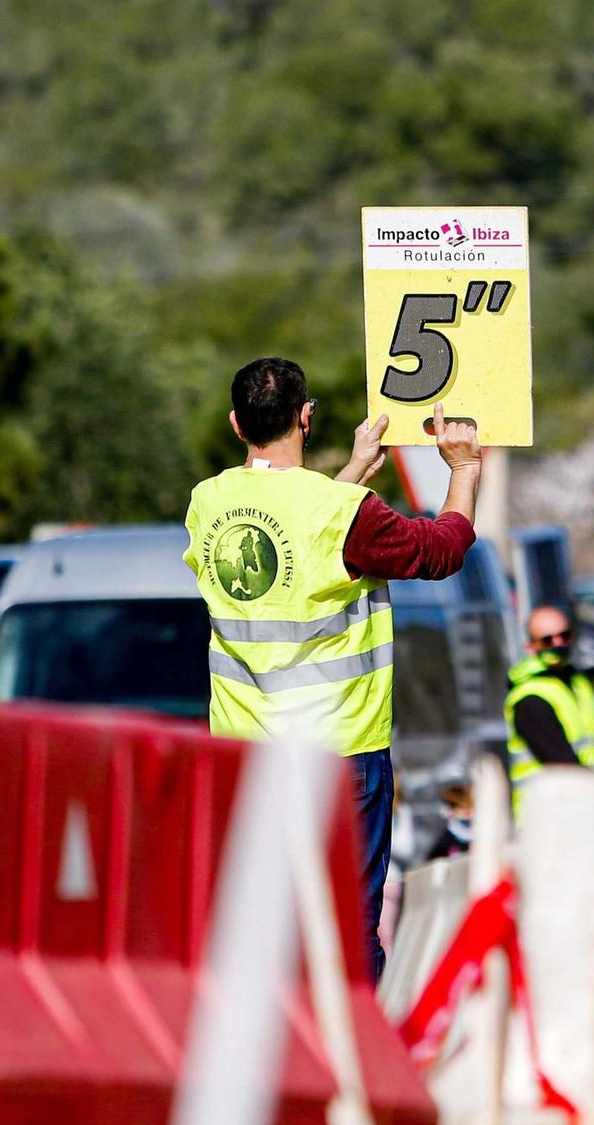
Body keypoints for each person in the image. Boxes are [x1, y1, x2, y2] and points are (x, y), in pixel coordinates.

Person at [183, 356, 480, 982]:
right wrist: (465, 468)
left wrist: (349, 475)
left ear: (237, 424)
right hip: (338, 755)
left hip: (243, 759)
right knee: (345, 932)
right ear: (306, 417)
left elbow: (293, 536)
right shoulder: (344, 512)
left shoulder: (207, 504)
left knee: (259, 929)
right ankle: (355, 1068)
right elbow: (442, 549)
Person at [505, 606, 594, 816]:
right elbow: (560, 762)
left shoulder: (577, 683)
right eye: (547, 640)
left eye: (564, 636)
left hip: (582, 806)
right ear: (530, 647)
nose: (558, 644)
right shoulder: (530, 697)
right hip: (543, 814)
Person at [424, 777, 473, 861]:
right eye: (459, 806)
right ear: (450, 811)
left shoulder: (485, 834)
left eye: (470, 805)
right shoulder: (445, 843)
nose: (466, 810)